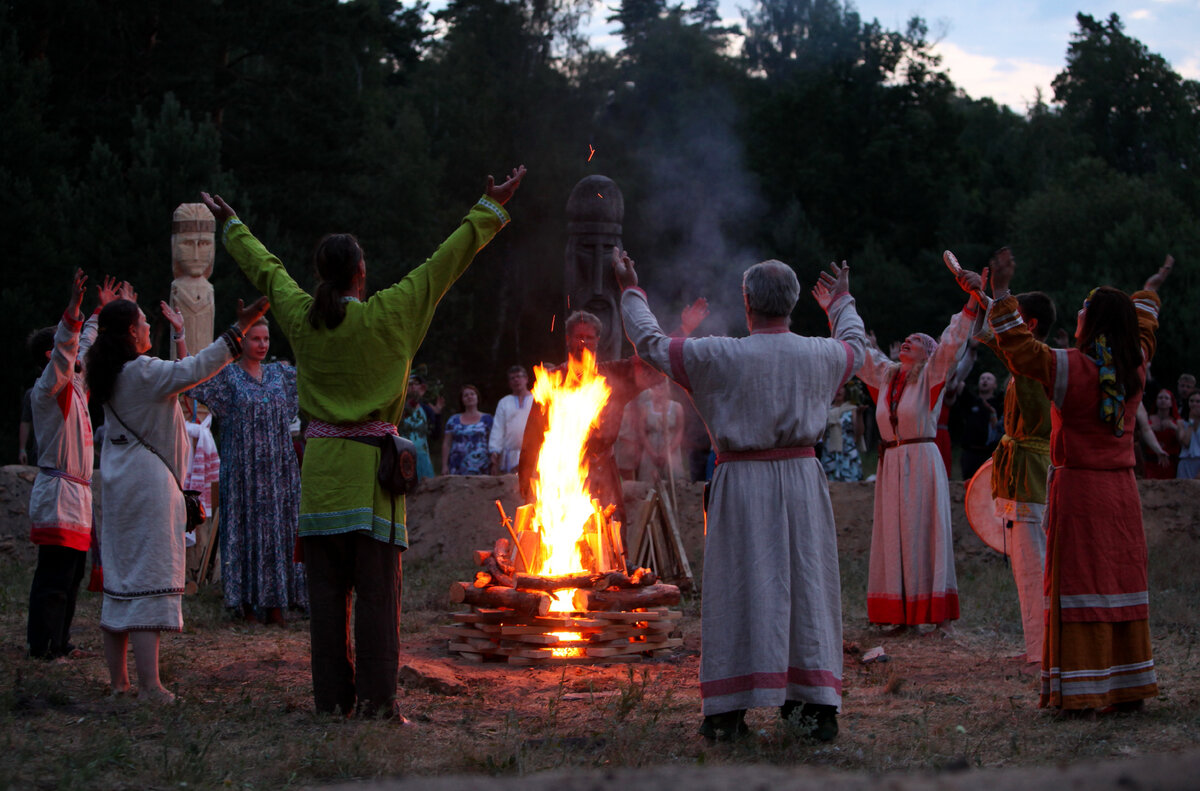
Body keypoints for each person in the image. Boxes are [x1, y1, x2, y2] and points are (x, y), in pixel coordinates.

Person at [200, 164, 525, 718]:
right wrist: (487, 209)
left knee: (327, 604)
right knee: (377, 600)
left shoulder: (302, 317)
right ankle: (377, 704)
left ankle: (330, 702)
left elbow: (268, 271)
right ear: (361, 274)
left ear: (323, 275)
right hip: (373, 482)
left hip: (321, 477)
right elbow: (441, 265)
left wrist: (232, 227)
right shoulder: (391, 314)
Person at [615, 250, 865, 742]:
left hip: (741, 485)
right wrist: (841, 304)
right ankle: (814, 709)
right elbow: (854, 344)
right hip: (801, 481)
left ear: (746, 302)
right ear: (793, 303)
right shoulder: (821, 354)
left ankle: (727, 714)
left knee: (736, 589)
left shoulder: (719, 355)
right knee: (806, 585)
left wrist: (630, 288)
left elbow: (650, 343)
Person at [959, 252, 1168, 714]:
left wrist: (999, 293)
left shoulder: (1069, 367)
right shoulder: (1136, 368)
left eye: (1083, 311)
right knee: (1119, 582)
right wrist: (1149, 289)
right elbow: (1146, 328)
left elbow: (1018, 346)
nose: (1076, 316)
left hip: (1077, 493)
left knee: (1077, 585)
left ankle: (1081, 691)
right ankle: (1128, 686)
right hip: (1122, 495)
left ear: (1092, 324)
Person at [87, 283, 267, 702]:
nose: (149, 324)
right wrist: (238, 330)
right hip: (149, 486)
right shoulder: (141, 372)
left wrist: (102, 312)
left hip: (117, 486)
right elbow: (195, 369)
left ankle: (120, 685)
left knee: (119, 584)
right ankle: (150, 685)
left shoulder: (109, 372)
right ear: (131, 334)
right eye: (142, 321)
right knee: (149, 580)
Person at [519, 300, 708, 554]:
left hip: (603, 471)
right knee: (560, 537)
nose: (583, 342)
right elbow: (532, 436)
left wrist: (683, 330)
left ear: (598, 340)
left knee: (612, 535)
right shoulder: (550, 383)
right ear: (567, 339)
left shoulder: (613, 376)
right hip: (561, 472)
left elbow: (651, 363)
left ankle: (616, 581)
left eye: (589, 337)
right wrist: (526, 476)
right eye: (578, 337)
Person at [857, 275, 984, 631]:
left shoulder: (930, 377)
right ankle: (899, 613)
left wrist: (972, 301)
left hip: (922, 462)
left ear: (928, 354)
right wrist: (839, 306)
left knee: (922, 531)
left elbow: (952, 344)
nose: (908, 340)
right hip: (892, 464)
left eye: (917, 340)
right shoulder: (886, 377)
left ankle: (932, 614)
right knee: (894, 533)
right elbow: (861, 353)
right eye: (906, 339)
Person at [187, 313, 307, 625]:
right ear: (242, 342)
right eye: (255, 338)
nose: (262, 344)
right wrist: (178, 334)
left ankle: (280, 603)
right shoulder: (228, 377)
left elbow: (314, 379)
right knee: (247, 534)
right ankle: (249, 606)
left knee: (279, 533)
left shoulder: (281, 374)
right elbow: (191, 378)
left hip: (278, 471)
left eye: (266, 339)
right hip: (244, 472)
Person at [974, 250, 1057, 663]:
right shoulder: (1033, 361)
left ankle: (1044, 651)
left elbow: (1001, 340)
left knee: (1033, 566)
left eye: (1016, 315)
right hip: (1031, 470)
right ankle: (1042, 647)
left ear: (1031, 325)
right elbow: (996, 341)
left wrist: (996, 295)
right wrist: (980, 295)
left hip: (1031, 474)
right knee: (1033, 564)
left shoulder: (1035, 364)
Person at [25, 270, 111, 659]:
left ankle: (59, 642)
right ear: (52, 357)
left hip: (76, 494)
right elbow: (68, 350)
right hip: (59, 492)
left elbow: (86, 346)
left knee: (72, 574)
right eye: (67, 347)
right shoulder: (48, 390)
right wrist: (73, 314)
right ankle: (41, 646)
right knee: (54, 575)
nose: (76, 351)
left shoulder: (75, 387)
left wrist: (98, 312)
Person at [955, 370, 1003, 480]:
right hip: (970, 454)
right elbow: (958, 382)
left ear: (995, 385)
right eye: (982, 378)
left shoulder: (999, 404)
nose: (984, 380)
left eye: (988, 378)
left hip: (990, 454)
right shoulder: (971, 401)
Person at [637, 379, 684, 484]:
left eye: (663, 385)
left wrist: (668, 452)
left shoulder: (677, 407)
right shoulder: (645, 408)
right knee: (649, 484)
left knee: (673, 482)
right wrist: (652, 453)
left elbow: (679, 431)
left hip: (671, 449)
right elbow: (642, 431)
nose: (660, 388)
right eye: (656, 385)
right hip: (651, 449)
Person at [489, 366, 532, 475]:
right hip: (510, 455)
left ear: (526, 379)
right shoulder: (504, 402)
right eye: (512, 378)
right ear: (509, 383)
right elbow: (498, 428)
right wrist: (495, 450)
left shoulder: (537, 399)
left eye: (519, 377)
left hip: (533, 453)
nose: (516, 380)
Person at [441, 385, 493, 475]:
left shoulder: (487, 419)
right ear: (462, 400)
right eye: (466, 395)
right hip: (458, 465)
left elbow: (493, 442)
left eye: (472, 394)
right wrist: (444, 465)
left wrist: (495, 463)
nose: (469, 397)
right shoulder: (453, 420)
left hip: (482, 465)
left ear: (477, 397)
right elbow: (447, 444)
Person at [820, 382, 864, 482]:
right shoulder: (826, 410)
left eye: (841, 388)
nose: (838, 390)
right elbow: (821, 435)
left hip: (848, 453)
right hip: (830, 454)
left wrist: (860, 415)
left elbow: (859, 433)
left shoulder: (852, 409)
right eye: (836, 387)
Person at [400, 374, 437, 479]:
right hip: (402, 455)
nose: (413, 386)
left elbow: (435, 435)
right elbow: (403, 416)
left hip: (422, 456)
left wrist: (437, 415)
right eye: (410, 383)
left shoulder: (426, 409)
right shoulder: (398, 408)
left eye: (416, 384)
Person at [1144, 389, 1181, 479]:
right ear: (1156, 401)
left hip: (1170, 462)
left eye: (1166, 398)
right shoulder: (1147, 419)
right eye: (1160, 398)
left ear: (1171, 403)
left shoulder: (1177, 421)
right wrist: (1150, 429)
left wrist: (1174, 428)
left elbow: (1183, 441)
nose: (1163, 400)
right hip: (1151, 461)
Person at [1178, 392, 1200, 480]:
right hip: (1185, 462)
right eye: (1191, 401)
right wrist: (1191, 422)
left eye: (1198, 401)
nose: (1194, 404)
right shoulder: (1181, 423)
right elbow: (1186, 443)